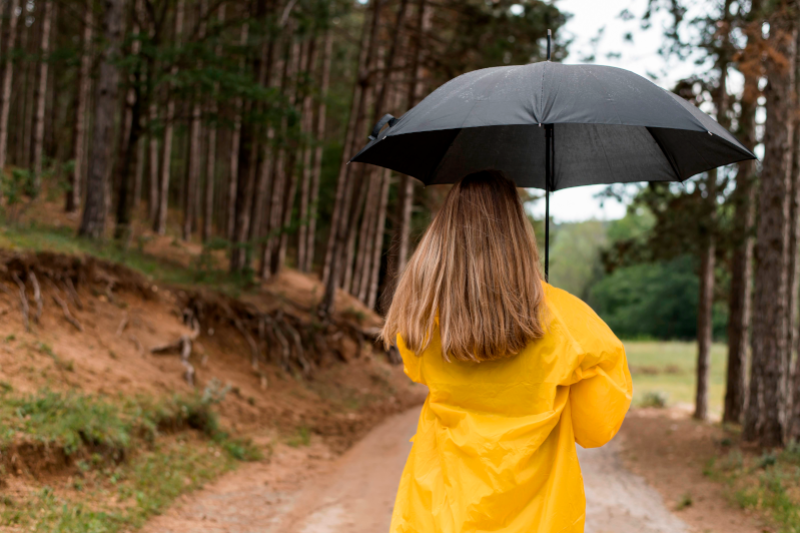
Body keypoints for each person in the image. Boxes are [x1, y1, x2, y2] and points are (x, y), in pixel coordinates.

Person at [381, 169, 632, 533]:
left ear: (444, 234)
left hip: (438, 510)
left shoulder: (420, 316)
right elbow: (596, 429)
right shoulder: (565, 319)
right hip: (539, 518)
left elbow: (416, 369)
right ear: (518, 232)